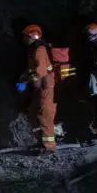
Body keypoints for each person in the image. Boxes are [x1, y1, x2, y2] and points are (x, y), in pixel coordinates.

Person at [21, 24, 57, 153]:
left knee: (44, 114)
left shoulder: (40, 49)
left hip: (46, 86)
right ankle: (40, 141)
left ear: (32, 36)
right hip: (38, 88)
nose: (24, 39)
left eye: (26, 36)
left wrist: (26, 80)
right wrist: (24, 77)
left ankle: (49, 146)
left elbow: (40, 71)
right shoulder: (32, 49)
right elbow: (32, 69)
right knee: (33, 112)